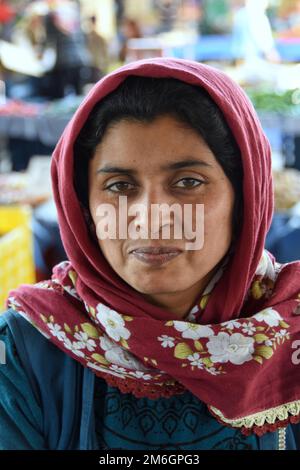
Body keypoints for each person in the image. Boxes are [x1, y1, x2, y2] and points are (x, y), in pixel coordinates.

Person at [0, 57, 300, 450]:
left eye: (188, 181)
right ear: (83, 207)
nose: (151, 219)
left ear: (245, 198)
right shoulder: (23, 350)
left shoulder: (289, 334)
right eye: (121, 186)